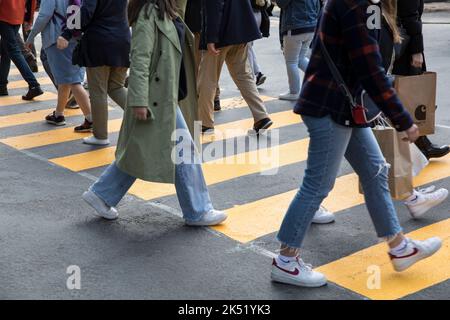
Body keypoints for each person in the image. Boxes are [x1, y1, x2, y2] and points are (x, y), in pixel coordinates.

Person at [272, 0, 442, 288]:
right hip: (330, 108)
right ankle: (286, 261)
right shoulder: (355, 6)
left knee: (376, 171)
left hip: (345, 107)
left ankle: (399, 248)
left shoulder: (360, 5)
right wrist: (403, 119)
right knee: (318, 185)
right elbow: (370, 70)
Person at [82, 0, 227, 227]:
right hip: (155, 98)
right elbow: (140, 59)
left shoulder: (169, 10)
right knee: (181, 149)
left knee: (141, 150)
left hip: (168, 96)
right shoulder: (148, 13)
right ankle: (198, 210)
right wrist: (139, 99)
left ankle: (101, 194)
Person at [378, 0, 448, 219]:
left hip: (353, 99)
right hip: (339, 103)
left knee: (370, 158)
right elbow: (409, 17)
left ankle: (412, 198)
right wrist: (417, 50)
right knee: (321, 179)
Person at [58, 0, 130, 146]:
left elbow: (85, 12)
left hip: (100, 42)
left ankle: (100, 136)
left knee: (98, 92)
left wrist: (66, 34)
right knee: (116, 87)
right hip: (123, 40)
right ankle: (146, 115)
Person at [198, 0, 273, 134]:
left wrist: (211, 37)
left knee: (207, 78)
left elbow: (214, 5)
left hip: (220, 34)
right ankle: (261, 116)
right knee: (244, 76)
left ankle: (206, 123)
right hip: (240, 31)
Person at [394, 0, 450, 160]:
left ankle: (420, 143)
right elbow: (410, 18)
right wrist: (417, 51)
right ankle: (421, 144)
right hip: (405, 47)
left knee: (404, 95)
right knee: (411, 95)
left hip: (398, 44)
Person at [25, 0, 92, 131]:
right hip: (78, 38)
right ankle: (58, 115)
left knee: (74, 81)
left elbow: (44, 15)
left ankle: (91, 119)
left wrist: (31, 37)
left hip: (58, 38)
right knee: (65, 79)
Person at [277, 0, 321, 101]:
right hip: (311, 26)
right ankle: (318, 78)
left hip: (295, 26)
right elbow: (318, 6)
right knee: (301, 58)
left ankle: (294, 92)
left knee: (291, 61)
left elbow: (281, 3)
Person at [0, 0, 43, 100]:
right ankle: (2, 86)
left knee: (13, 51)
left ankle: (34, 85)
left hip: (4, 13)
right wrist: (29, 19)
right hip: (18, 14)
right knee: (6, 49)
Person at [185, 0, 221, 111]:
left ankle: (207, 98)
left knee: (199, 64)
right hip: (205, 23)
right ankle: (215, 97)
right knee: (208, 64)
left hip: (197, 22)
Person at [249, 0, 270, 87]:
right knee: (248, 47)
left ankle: (250, 78)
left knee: (246, 48)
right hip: (258, 13)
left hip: (249, 14)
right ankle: (257, 73)